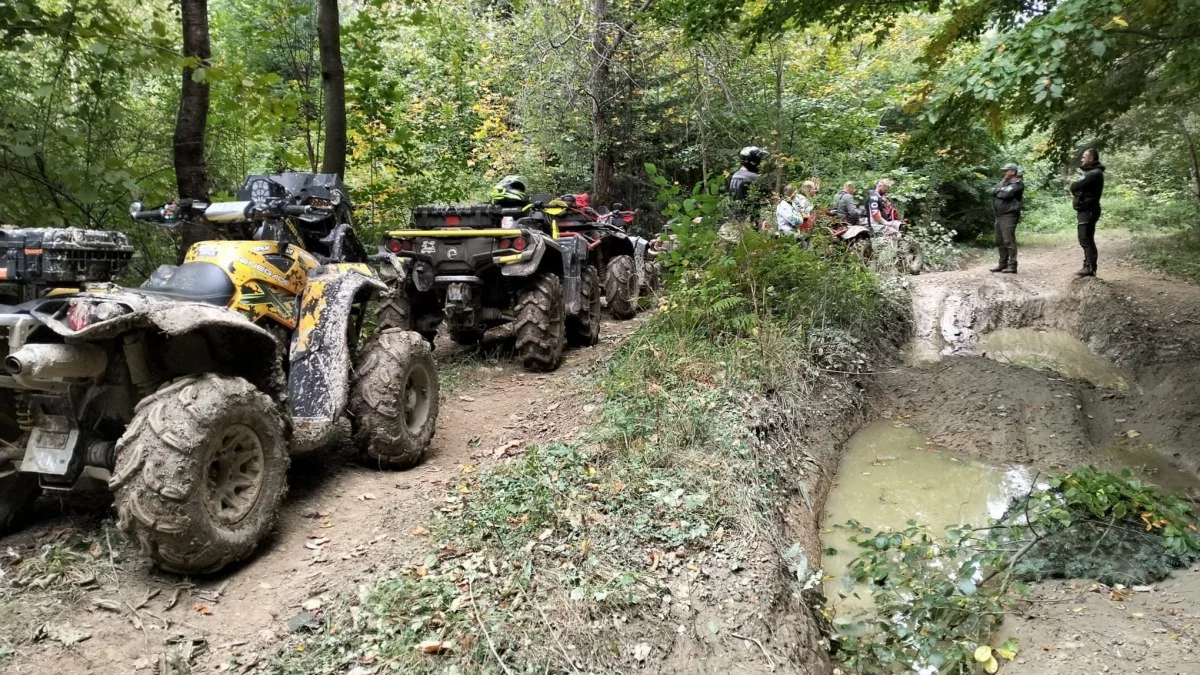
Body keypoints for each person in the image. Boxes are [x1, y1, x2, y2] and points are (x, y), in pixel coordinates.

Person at [1070, 148, 1105, 277]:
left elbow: (1074, 186)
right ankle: (1088, 266)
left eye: (1084, 157)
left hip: (1089, 210)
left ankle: (1090, 267)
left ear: (1091, 158)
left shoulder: (1094, 173)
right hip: (1085, 209)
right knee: (1085, 238)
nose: (1082, 159)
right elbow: (1076, 187)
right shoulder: (1091, 173)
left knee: (1086, 238)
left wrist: (1078, 190)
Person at [990, 163, 1025, 274]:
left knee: (1008, 240)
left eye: (1006, 170)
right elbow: (992, 190)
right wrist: (1001, 190)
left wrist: (999, 191)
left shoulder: (1017, 183)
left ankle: (1012, 265)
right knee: (999, 240)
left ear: (1013, 172)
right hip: (999, 215)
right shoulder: (1003, 183)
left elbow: (1005, 195)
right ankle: (1002, 264)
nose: (1004, 172)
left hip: (1009, 215)